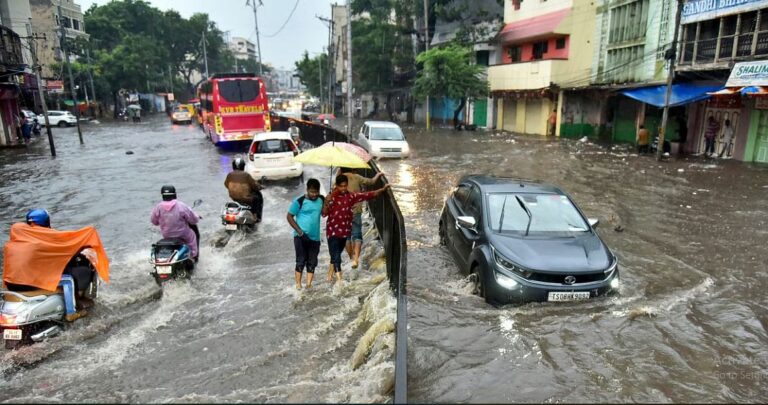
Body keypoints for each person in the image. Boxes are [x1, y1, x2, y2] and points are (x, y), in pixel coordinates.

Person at [323, 174, 391, 284]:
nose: (343, 188)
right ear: (336, 185)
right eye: (341, 186)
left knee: (336, 254)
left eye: (345, 186)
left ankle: (329, 276)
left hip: (344, 232)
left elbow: (367, 195)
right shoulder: (331, 197)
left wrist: (382, 190)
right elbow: (324, 214)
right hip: (332, 231)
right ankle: (340, 282)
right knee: (336, 256)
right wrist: (326, 202)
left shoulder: (350, 196)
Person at [336, 167, 384, 268]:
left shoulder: (339, 179)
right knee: (357, 235)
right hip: (356, 211)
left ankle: (351, 258)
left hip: (342, 213)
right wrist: (378, 175)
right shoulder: (356, 177)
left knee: (346, 237)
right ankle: (356, 259)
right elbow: (371, 182)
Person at [286, 178, 324, 290]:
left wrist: (328, 202)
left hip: (315, 237)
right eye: (312, 192)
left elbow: (324, 213)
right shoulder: (299, 201)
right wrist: (300, 232)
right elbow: (289, 216)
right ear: (307, 190)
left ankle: (308, 285)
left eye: (316, 192)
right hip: (300, 237)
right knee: (301, 260)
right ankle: (298, 285)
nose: (314, 194)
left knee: (312, 262)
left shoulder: (321, 199)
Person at [150, 185, 200, 261]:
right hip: (183, 234)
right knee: (192, 236)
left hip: (167, 235)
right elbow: (193, 220)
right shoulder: (181, 205)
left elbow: (154, 221)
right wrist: (197, 217)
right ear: (174, 194)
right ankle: (194, 256)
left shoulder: (158, 207)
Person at [224, 157, 264, 222]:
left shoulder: (229, 175)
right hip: (246, 199)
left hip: (234, 198)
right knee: (257, 198)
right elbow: (254, 185)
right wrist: (261, 186)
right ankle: (255, 217)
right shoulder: (246, 175)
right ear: (243, 166)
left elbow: (226, 184)